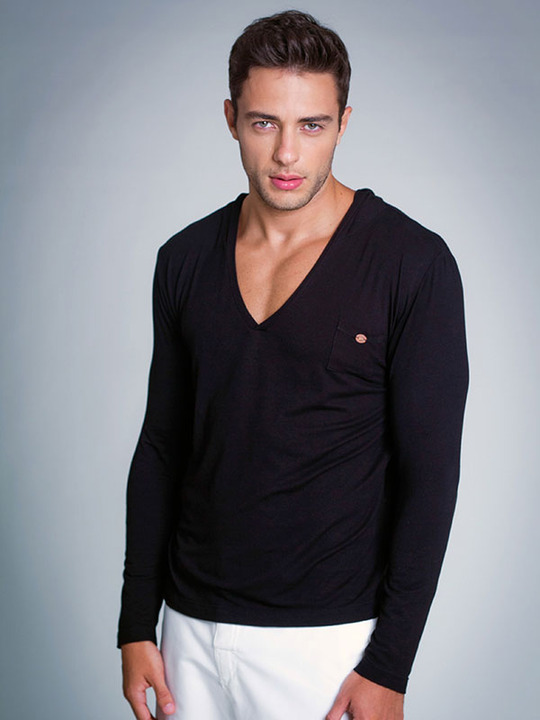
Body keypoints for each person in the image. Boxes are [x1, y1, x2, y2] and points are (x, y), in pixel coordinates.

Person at [118, 10, 468, 720]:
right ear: (230, 119)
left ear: (343, 124)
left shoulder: (412, 263)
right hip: (187, 635)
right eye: (263, 123)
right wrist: (135, 623)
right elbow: (161, 446)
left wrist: (390, 666)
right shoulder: (183, 259)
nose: (286, 153)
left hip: (327, 647)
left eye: (311, 125)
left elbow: (430, 477)